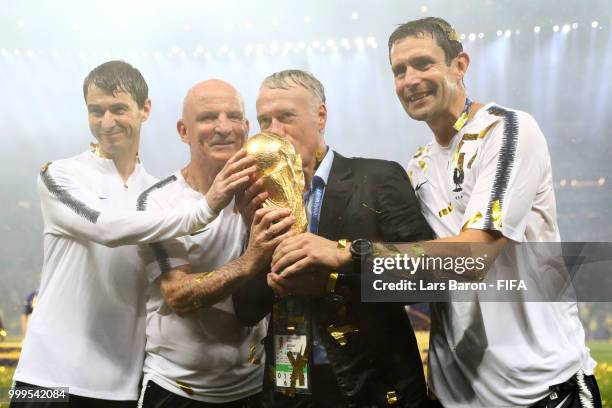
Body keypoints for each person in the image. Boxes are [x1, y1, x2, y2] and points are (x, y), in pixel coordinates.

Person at [12, 61, 256, 407]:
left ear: (145, 110)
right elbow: (106, 227)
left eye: (118, 109)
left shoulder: (155, 194)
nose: (106, 122)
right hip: (48, 380)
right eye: (96, 111)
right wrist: (205, 209)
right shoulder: (60, 175)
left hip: (123, 386)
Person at [385, 17, 601, 408]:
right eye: (399, 71)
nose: (409, 79)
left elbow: (475, 255)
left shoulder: (507, 130)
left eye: (423, 63)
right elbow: (416, 275)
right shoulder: (414, 168)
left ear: (460, 65)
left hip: (542, 391)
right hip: (454, 396)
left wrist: (351, 254)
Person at [233, 69, 433, 407]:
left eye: (285, 117)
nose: (274, 132)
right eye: (264, 121)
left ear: (320, 116)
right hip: (291, 382)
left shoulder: (377, 177)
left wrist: (340, 263)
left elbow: (425, 276)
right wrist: (265, 267)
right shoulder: (260, 198)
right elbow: (245, 310)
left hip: (376, 384)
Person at [137, 79, 294, 407]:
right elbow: (178, 295)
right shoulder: (158, 201)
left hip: (254, 386)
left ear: (247, 127)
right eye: (208, 117)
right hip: (176, 388)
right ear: (183, 131)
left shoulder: (268, 192)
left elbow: (288, 292)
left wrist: (291, 378)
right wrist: (251, 259)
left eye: (234, 117)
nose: (223, 127)